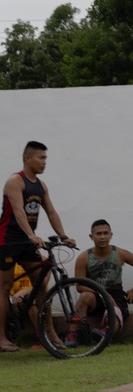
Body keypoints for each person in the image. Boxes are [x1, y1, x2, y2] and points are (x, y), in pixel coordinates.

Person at [0, 141, 75, 353]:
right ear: (28, 158)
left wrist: (64, 236)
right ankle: (2, 338)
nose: (44, 162)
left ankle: (49, 334)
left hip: (27, 241)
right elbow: (18, 210)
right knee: (4, 288)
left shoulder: (41, 186)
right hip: (7, 241)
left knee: (41, 287)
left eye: (45, 158)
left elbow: (51, 212)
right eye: (41, 158)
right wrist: (31, 234)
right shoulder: (15, 181)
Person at [70, 219, 133, 345]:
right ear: (91, 237)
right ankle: (75, 334)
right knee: (84, 297)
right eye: (99, 234)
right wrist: (102, 293)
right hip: (95, 294)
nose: (102, 237)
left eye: (106, 233)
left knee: (114, 312)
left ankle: (104, 334)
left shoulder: (119, 253)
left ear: (111, 235)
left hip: (115, 293)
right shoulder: (84, 258)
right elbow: (80, 286)